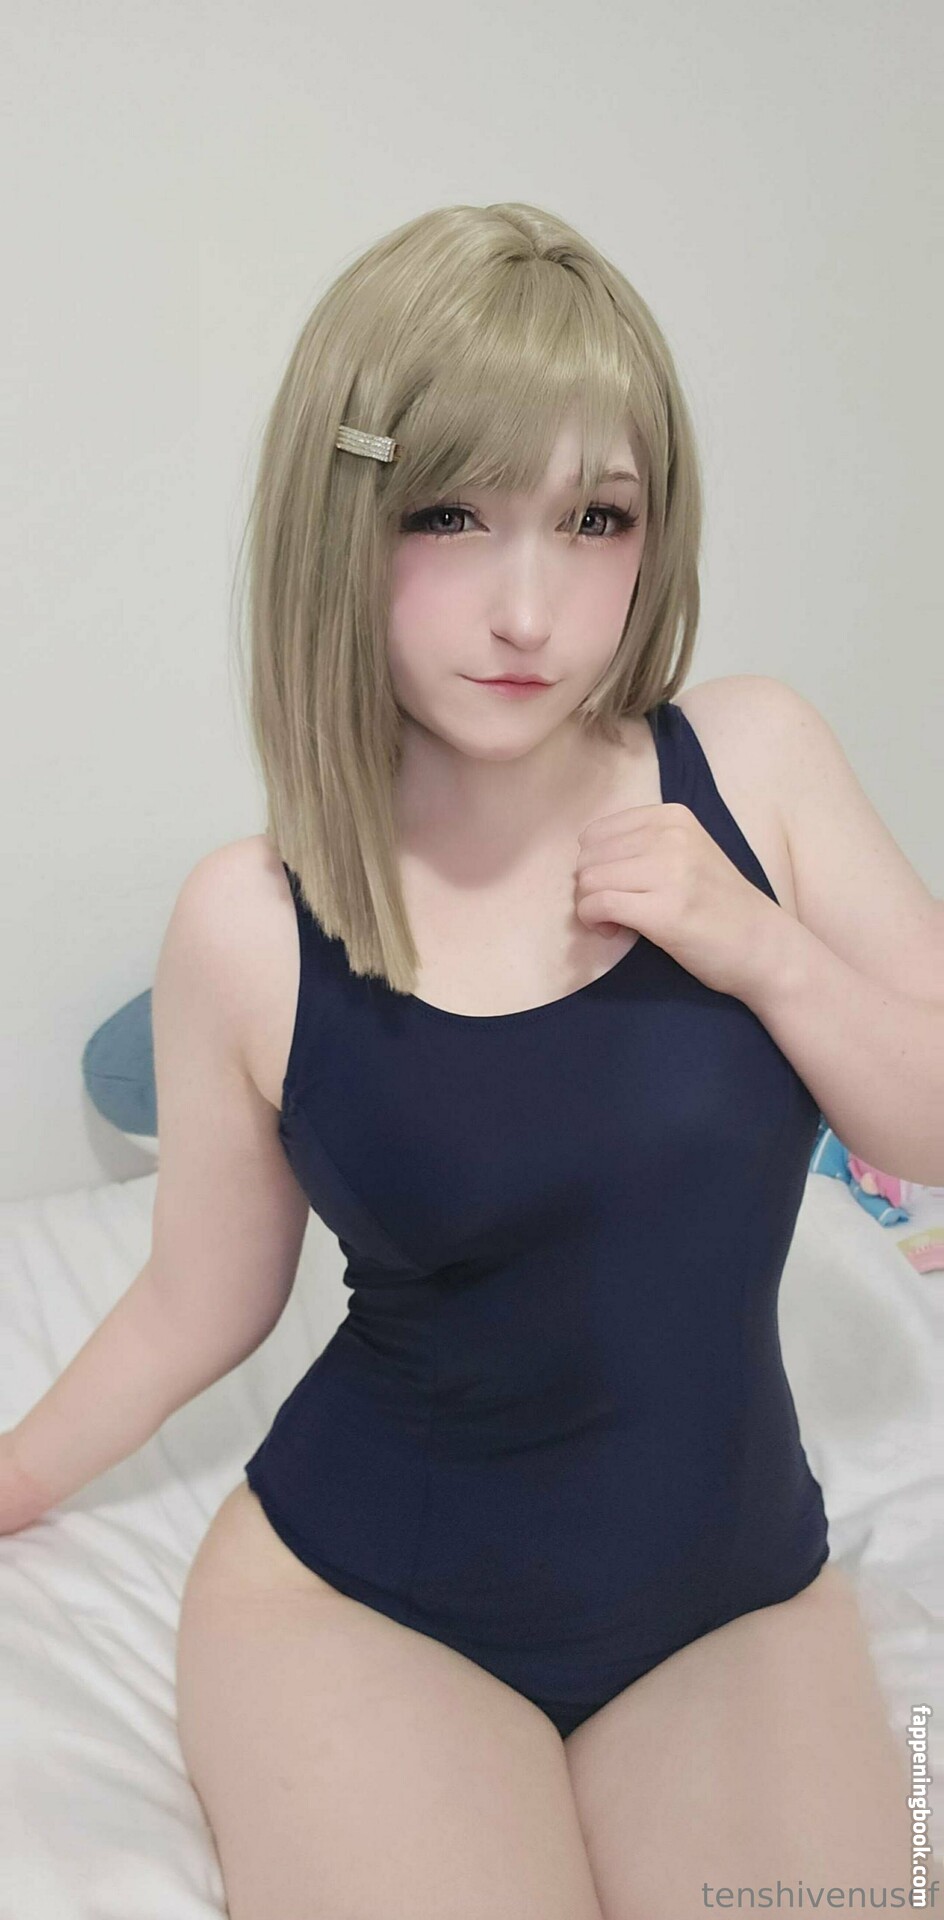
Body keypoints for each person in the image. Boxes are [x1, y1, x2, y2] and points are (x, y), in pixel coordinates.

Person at [3, 201, 930, 1918]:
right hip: (364, 1605)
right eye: (450, 513)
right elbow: (200, 1300)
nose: (528, 608)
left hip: (732, 1595)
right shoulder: (249, 924)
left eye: (595, 519)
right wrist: (14, 1474)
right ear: (340, 523)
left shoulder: (756, 763)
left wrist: (760, 946)